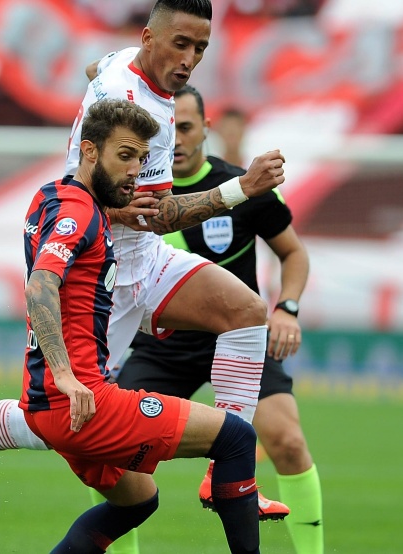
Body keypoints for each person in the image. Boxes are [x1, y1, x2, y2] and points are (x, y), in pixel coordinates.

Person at [0, 0, 289, 524]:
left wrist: (96, 99)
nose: (190, 59)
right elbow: (158, 216)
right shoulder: (140, 107)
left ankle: (227, 478)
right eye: (181, 44)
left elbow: (95, 69)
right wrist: (242, 188)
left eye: (200, 48)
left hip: (145, 260)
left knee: (245, 310)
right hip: (108, 273)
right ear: (151, 37)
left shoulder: (124, 61)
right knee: (59, 419)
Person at [105, 85, 324, 554]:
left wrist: (287, 308)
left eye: (185, 127)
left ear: (207, 128)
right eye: (168, 128)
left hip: (239, 339)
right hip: (166, 346)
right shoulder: (134, 191)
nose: (177, 138)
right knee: (111, 453)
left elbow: (293, 254)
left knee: (286, 440)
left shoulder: (243, 185)